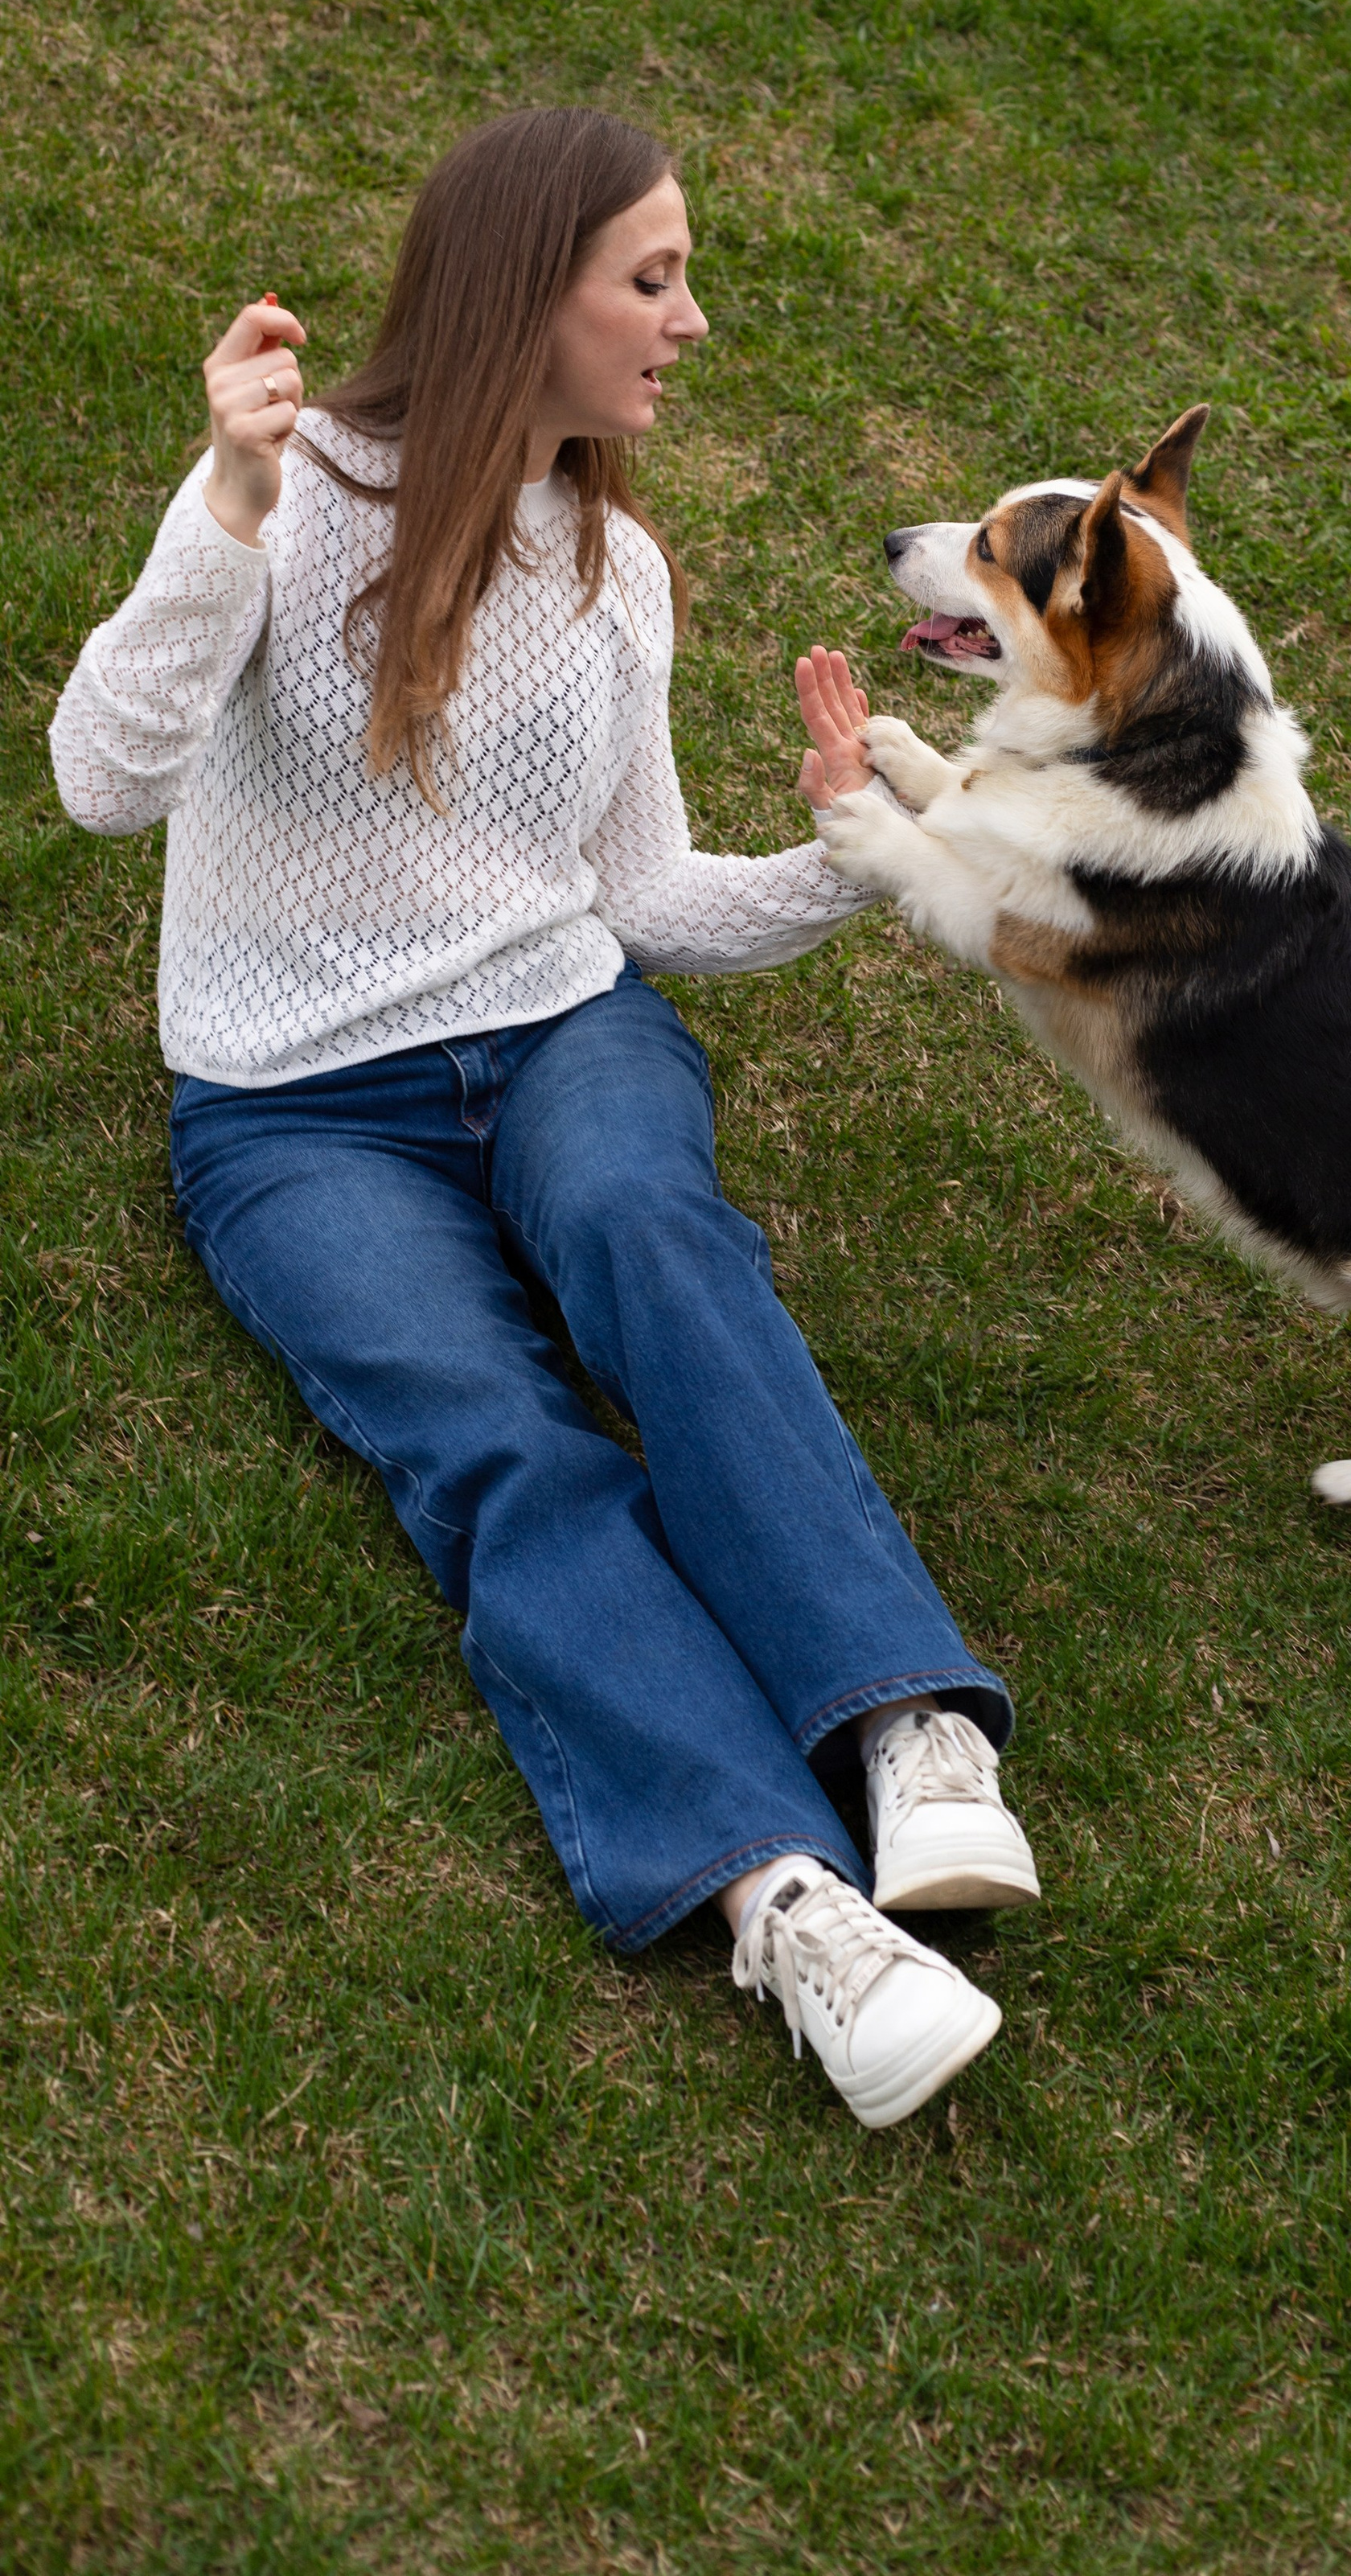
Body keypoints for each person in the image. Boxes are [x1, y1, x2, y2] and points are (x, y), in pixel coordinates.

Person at [49, 105, 1038, 2133]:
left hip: (563, 1024)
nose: (689, 322)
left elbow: (644, 894)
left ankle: (910, 1733)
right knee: (489, 1438)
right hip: (292, 1111)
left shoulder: (612, 563)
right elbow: (101, 779)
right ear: (532, 292)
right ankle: (785, 1902)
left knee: (652, 1245)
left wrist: (855, 850)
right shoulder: (289, 500)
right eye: (652, 280)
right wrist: (223, 504)